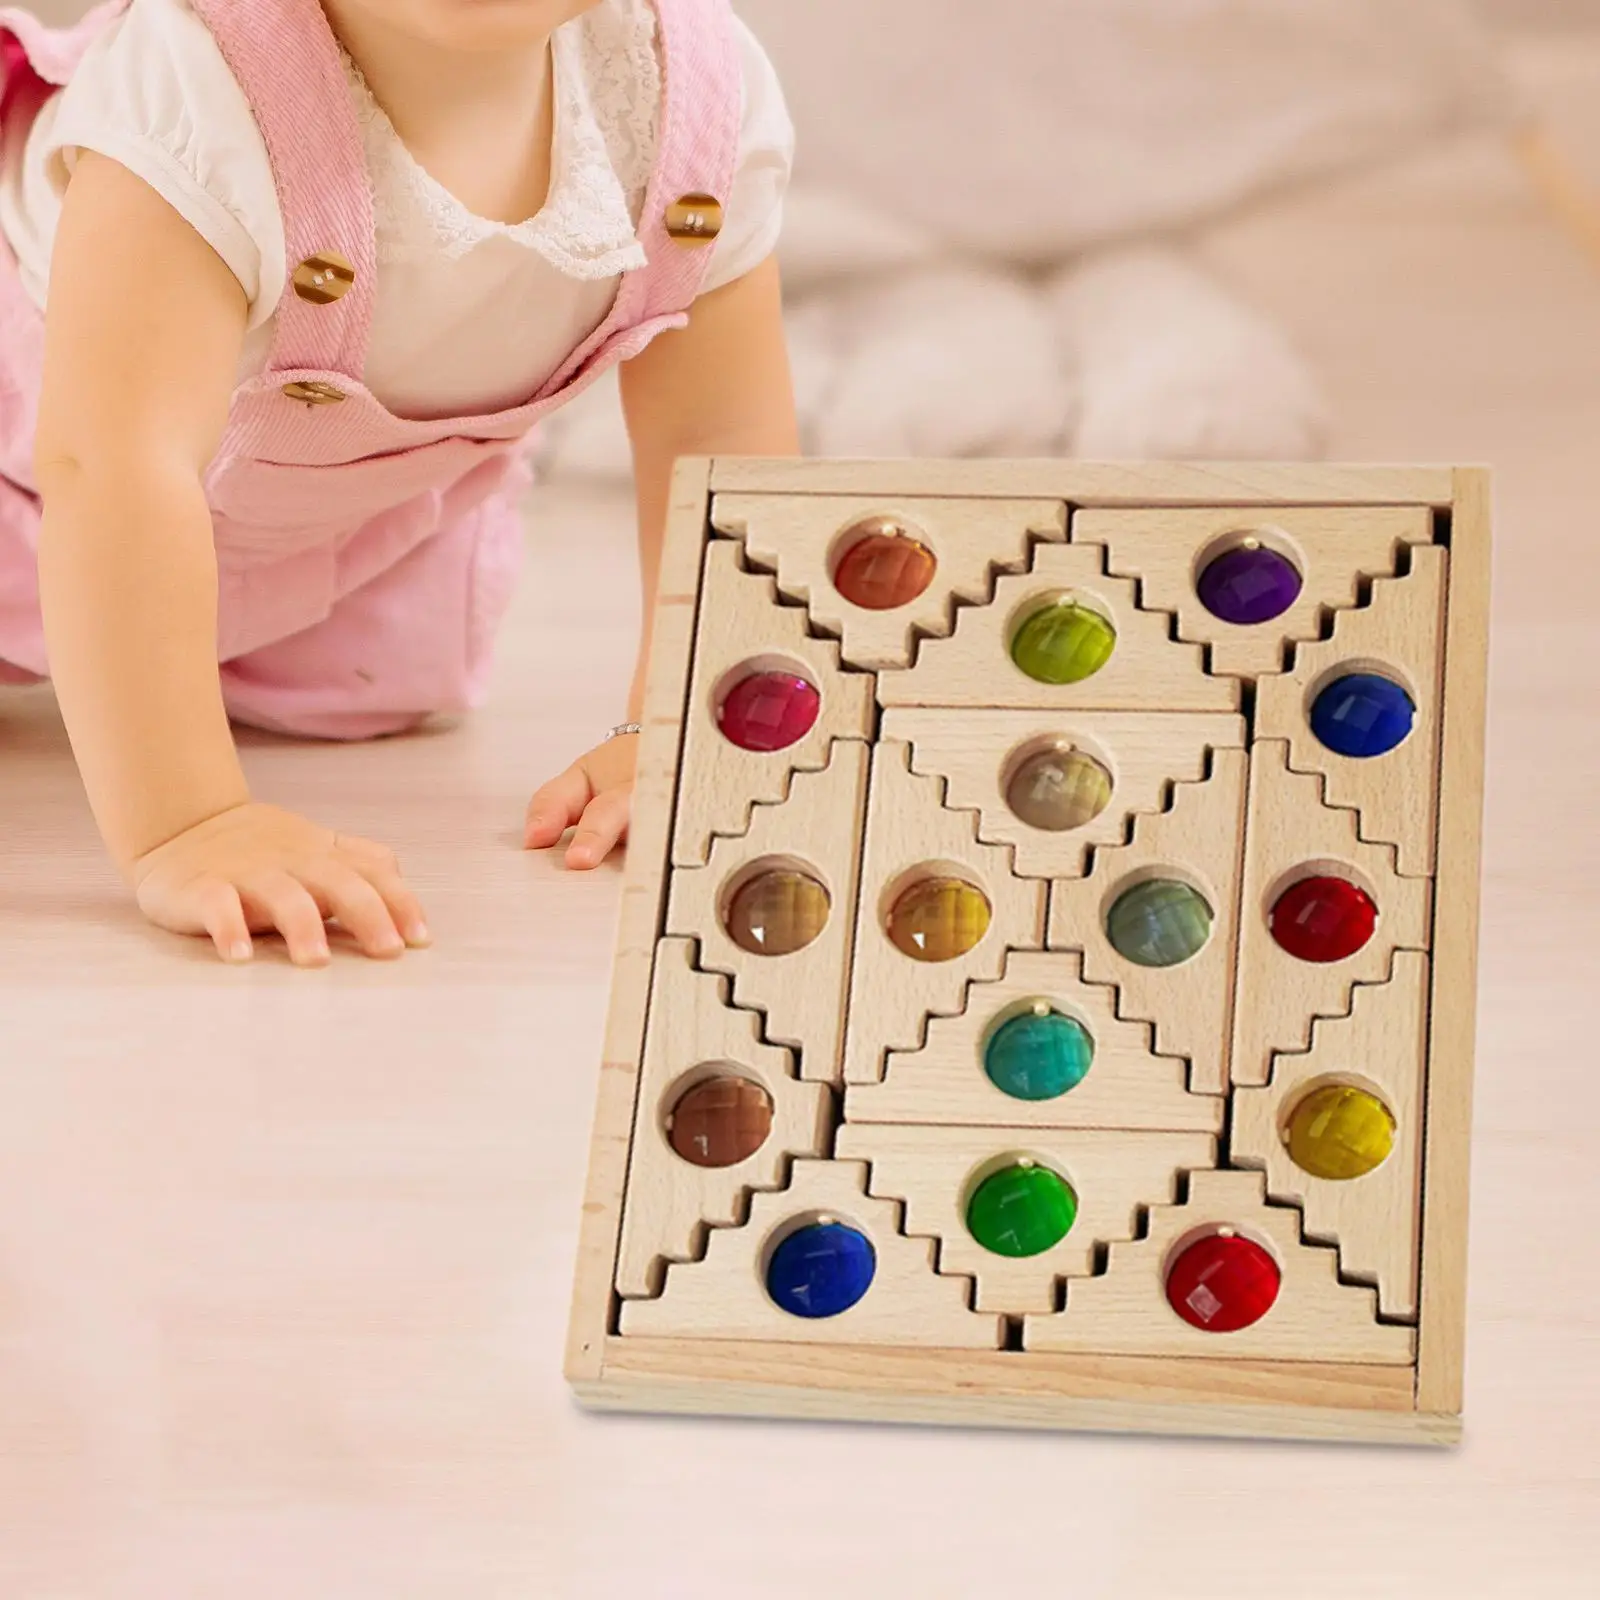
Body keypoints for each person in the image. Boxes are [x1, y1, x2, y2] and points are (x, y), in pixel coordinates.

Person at [0, 0, 799, 965]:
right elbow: (110, 460)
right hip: (47, 476)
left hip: (340, 519)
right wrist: (188, 821)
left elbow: (715, 442)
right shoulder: (197, 87)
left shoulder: (691, 101)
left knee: (370, 703)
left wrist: (685, 725)